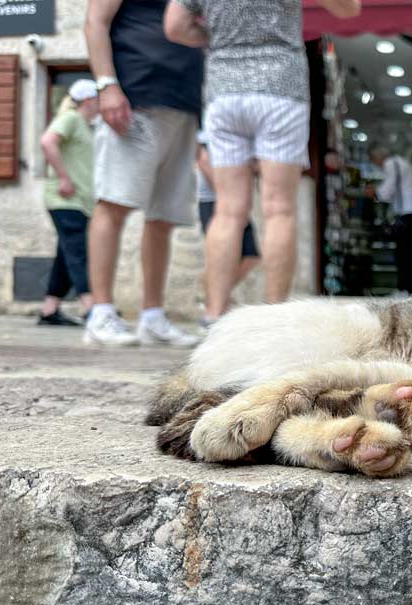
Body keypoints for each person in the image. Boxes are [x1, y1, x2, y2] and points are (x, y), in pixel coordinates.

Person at [164, 0, 361, 322]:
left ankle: (214, 313)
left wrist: (217, 36)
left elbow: (175, 27)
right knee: (279, 209)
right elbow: (348, 8)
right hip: (281, 90)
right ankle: (273, 317)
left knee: (228, 210)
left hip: (224, 92)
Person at [83, 0, 204, 347]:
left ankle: (153, 316)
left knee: (163, 217)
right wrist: (107, 85)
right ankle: (101, 313)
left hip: (182, 102)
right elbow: (95, 21)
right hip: (134, 96)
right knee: (113, 203)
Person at [37, 79, 98, 326]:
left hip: (80, 201)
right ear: (88, 101)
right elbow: (47, 141)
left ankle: (49, 309)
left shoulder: (85, 125)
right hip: (65, 200)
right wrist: (63, 178)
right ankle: (92, 307)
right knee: (79, 252)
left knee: (66, 254)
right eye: (99, 99)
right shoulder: (71, 118)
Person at [195, 130, 260, 326]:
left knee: (250, 256)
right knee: (241, 254)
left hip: (232, 201)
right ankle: (213, 305)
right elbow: (202, 159)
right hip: (213, 200)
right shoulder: (210, 127)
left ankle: (217, 296)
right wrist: (226, 190)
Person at [368, 145, 412, 293]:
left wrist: (374, 192)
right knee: (407, 253)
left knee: (403, 254)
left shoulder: (391, 163)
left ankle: (406, 289)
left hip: (410, 214)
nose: (374, 163)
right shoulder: (400, 162)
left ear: (378, 157)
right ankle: (409, 289)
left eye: (372, 159)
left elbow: (388, 190)